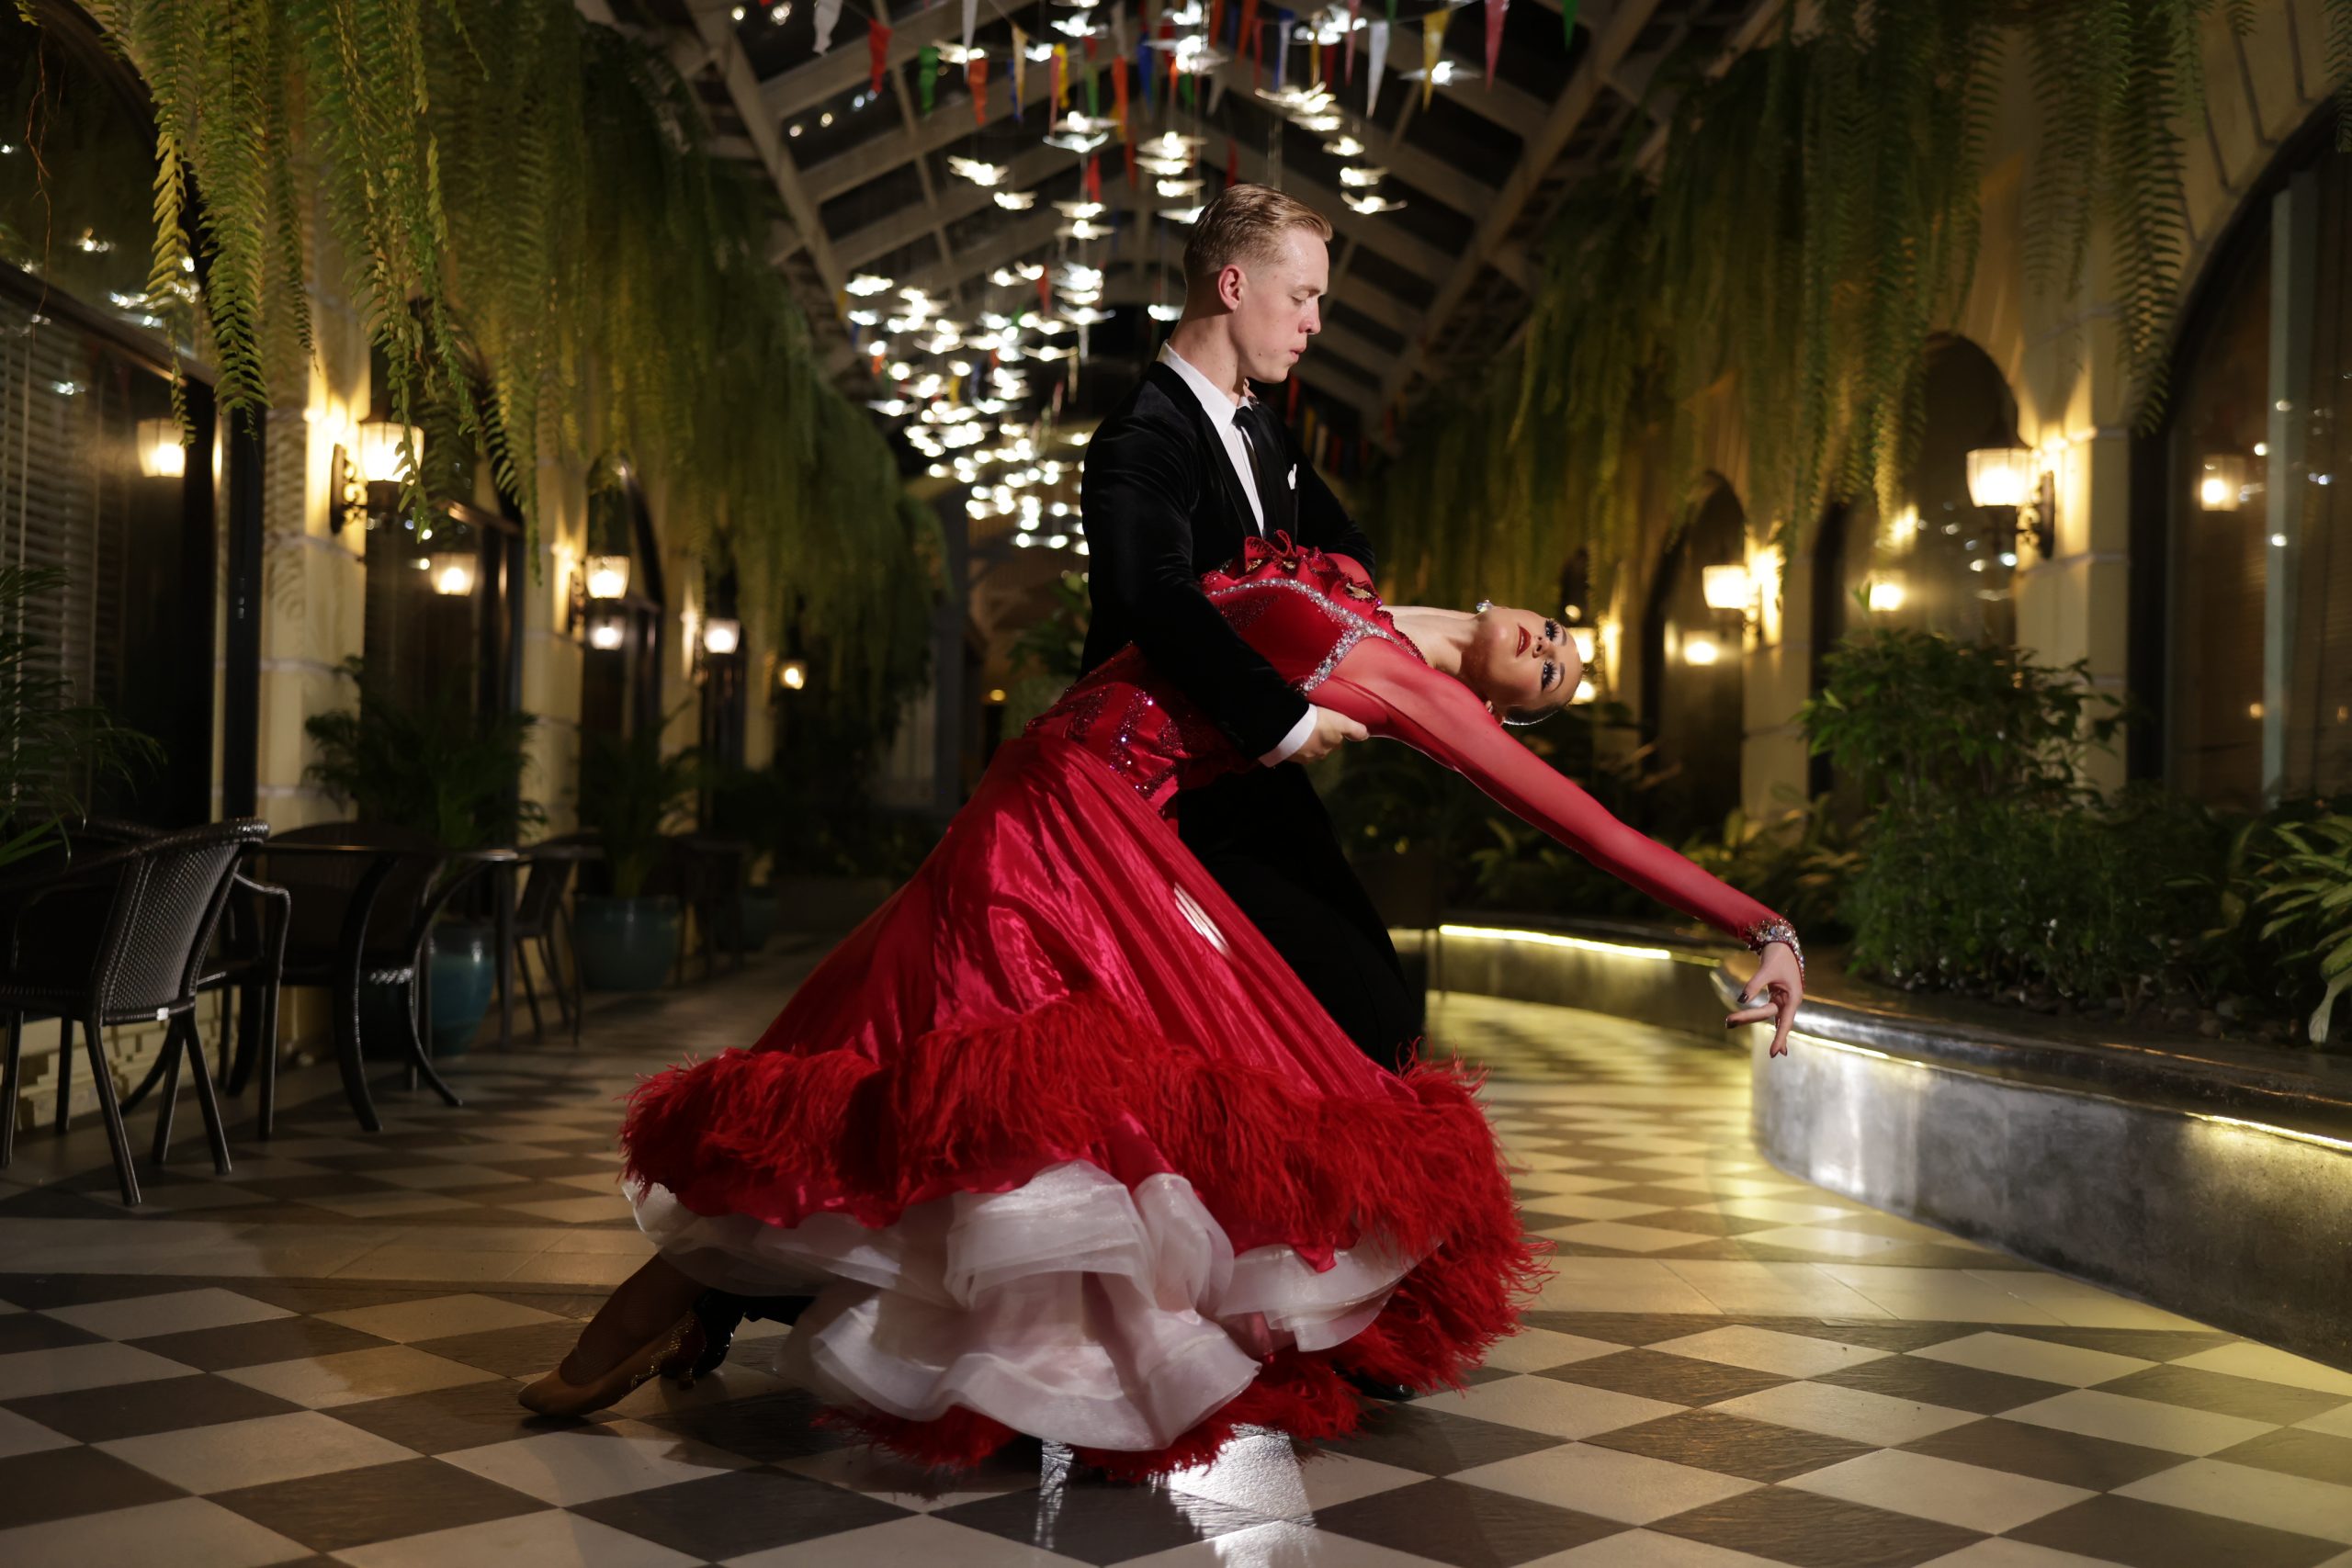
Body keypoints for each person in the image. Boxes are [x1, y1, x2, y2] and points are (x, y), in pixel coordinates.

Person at [520, 536, 1804, 1480]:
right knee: (881, 1042)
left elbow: (1580, 821)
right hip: (1045, 791)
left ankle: (694, 1313)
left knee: (980, 1075)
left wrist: (1759, 922)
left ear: (1516, 712)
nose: (1553, 656)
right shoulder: (1357, 584)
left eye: (1560, 687)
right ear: (1509, 598)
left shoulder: (1423, 693)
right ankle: (689, 1296)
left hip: (1095, 832)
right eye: (1559, 636)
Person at [1080, 184, 1418, 1073]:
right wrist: (1286, 716)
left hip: (1247, 776)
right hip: (1162, 789)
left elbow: (1344, 544)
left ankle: (1321, 1202)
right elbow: (1152, 596)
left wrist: (1320, 637)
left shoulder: (1267, 432)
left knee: (1374, 1004)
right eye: (1302, 297)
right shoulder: (1140, 436)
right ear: (1232, 287)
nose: (1313, 324)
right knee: (1340, 1010)